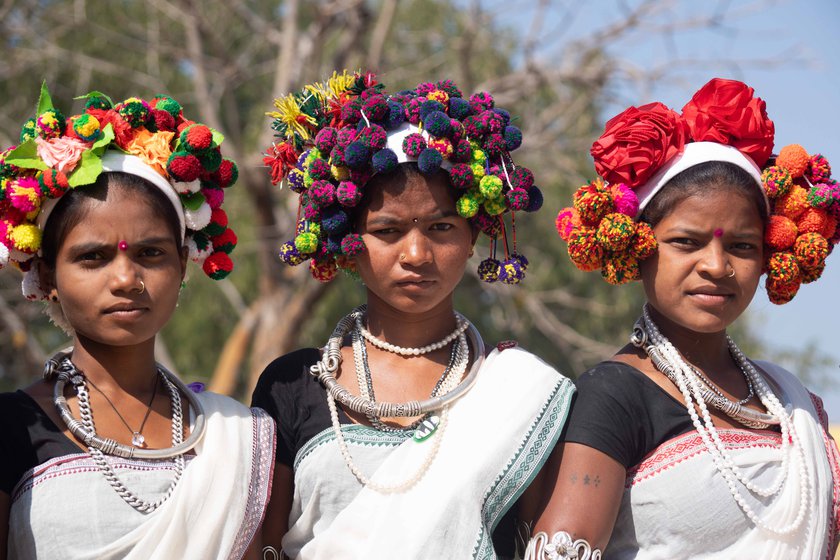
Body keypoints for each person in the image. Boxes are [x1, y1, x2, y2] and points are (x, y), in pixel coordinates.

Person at [251, 70, 575, 559]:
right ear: (349, 243)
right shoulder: (294, 384)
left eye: (442, 226)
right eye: (388, 230)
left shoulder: (516, 394)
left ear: (472, 237)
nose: (418, 254)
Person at [524, 78, 840, 558]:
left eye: (741, 246)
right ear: (638, 245)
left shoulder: (789, 402)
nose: (716, 266)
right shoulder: (614, 394)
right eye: (686, 242)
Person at [0, 84, 274, 559]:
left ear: (184, 263)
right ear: (47, 274)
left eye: (151, 253)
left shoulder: (235, 436)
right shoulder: (13, 427)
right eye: (93, 258)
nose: (126, 279)